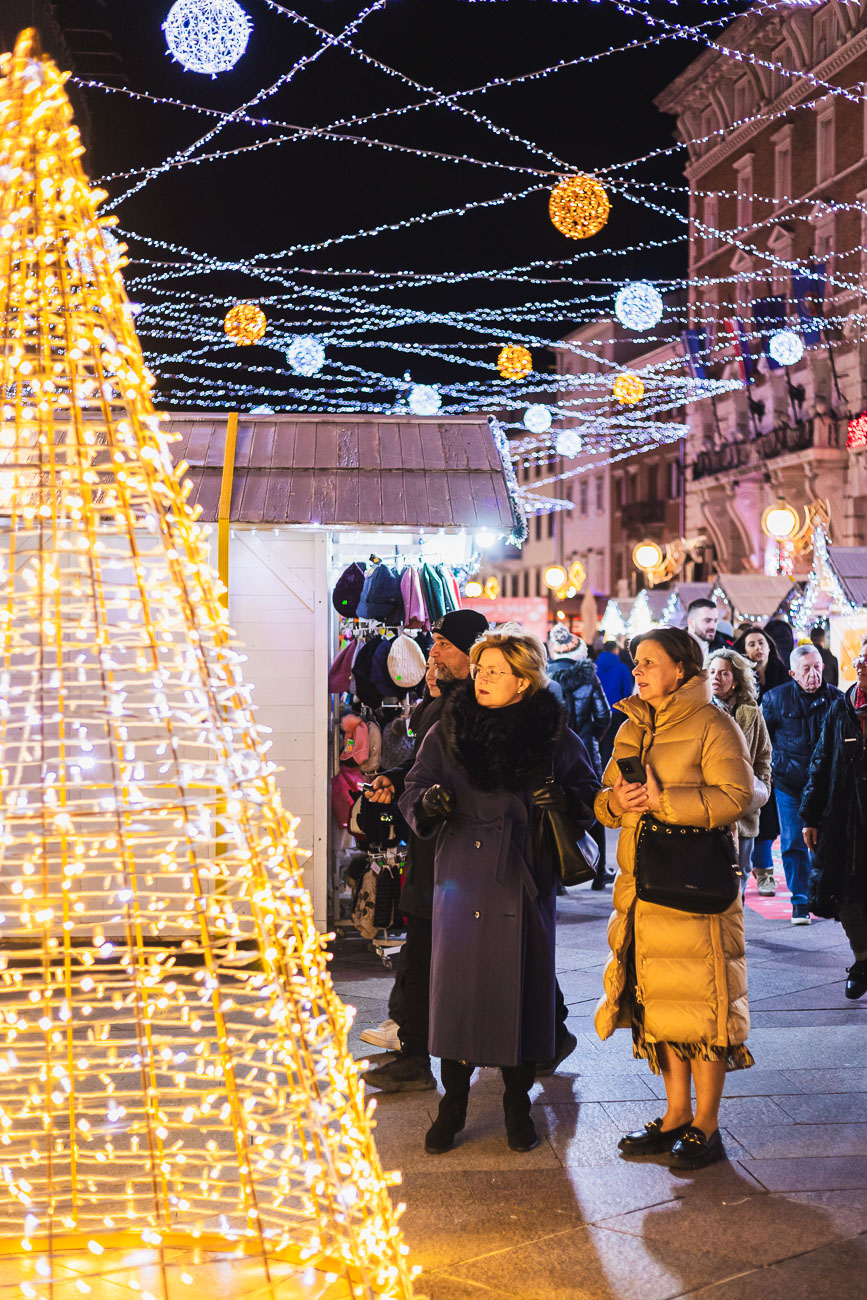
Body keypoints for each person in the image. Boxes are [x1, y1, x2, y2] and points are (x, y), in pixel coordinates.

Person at [400, 631, 598, 1154]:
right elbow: (413, 789)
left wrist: (564, 797)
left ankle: (516, 1101)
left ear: (523, 681)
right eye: (481, 668)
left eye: (494, 671)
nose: (481, 678)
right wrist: (431, 803)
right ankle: (454, 1103)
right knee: (459, 994)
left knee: (521, 994)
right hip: (461, 874)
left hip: (522, 876)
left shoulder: (552, 736)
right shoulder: (448, 730)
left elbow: (590, 793)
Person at [594, 628, 754, 1170]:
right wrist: (617, 800)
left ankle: (706, 1125)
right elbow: (603, 800)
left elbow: (738, 795)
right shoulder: (631, 726)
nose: (636, 671)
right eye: (635, 662)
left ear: (681, 670)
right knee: (660, 1002)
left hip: (693, 887)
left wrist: (665, 799)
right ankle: (675, 1114)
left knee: (703, 1005)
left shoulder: (713, 723)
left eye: (648, 662)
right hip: (642, 888)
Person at [361, 608, 489, 1094]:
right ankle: (412, 1047)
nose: (432, 653)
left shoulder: (477, 707)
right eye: (433, 643)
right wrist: (395, 782)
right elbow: (421, 765)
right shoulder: (439, 705)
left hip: (459, 858)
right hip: (428, 848)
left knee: (448, 955)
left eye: (443, 645)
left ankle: (543, 1033)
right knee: (421, 950)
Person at [801, 647, 867, 999]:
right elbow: (821, 762)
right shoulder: (841, 708)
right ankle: (862, 959)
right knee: (845, 895)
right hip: (845, 820)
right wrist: (810, 816)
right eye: (861, 659)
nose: (863, 665)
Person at [762, 645, 842, 924]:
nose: (813, 674)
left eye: (817, 667)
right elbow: (763, 738)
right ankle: (800, 901)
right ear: (793, 673)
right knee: (793, 842)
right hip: (789, 784)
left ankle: (825, 896)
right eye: (806, 669)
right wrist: (770, 768)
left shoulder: (837, 700)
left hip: (826, 786)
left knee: (826, 842)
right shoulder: (775, 699)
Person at [546, 625, 613, 887]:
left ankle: (559, 875)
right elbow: (603, 715)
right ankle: (597, 871)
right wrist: (591, 738)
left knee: (555, 807)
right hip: (584, 747)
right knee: (592, 804)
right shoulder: (589, 678)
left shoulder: (546, 676)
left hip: (552, 752)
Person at [708, 649, 771, 894]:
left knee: (741, 871)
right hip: (710, 805)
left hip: (744, 806)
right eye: (712, 672)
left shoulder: (751, 713)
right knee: (711, 872)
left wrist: (761, 786)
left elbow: (764, 754)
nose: (716, 678)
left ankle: (735, 926)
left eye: (724, 673)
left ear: (735, 680)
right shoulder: (700, 710)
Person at [733, 626, 789, 896]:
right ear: (744, 650)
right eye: (752, 644)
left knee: (769, 820)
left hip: (779, 757)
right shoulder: (740, 682)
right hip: (748, 756)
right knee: (752, 815)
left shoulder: (784, 676)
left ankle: (765, 871)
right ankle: (752, 869)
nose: (758, 648)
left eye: (761, 642)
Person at [595, 639, 635, 772]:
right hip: (615, 710)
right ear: (616, 651)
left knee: (598, 742)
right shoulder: (622, 668)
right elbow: (627, 691)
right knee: (612, 743)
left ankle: (597, 768)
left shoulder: (594, 667)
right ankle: (608, 772)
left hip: (597, 710)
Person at [686, 598, 729, 662]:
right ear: (691, 622)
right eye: (707, 621)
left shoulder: (725, 650)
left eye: (715, 621)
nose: (713, 626)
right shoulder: (675, 647)